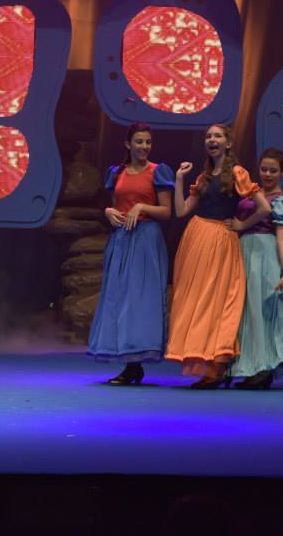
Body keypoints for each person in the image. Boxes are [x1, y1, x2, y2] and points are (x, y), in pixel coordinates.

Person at [168, 124, 271, 389]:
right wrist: (179, 179)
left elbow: (264, 207)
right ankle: (205, 360)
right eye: (208, 136)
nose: (211, 140)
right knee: (194, 299)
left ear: (228, 143)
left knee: (215, 301)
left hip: (220, 240)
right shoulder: (203, 177)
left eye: (217, 136)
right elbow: (181, 211)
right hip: (196, 239)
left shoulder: (237, 173)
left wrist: (242, 224)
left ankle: (216, 366)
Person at [87, 123, 174, 385]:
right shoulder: (117, 173)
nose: (144, 146)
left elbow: (167, 211)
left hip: (146, 239)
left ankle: (135, 361)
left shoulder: (157, 172)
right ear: (128, 144)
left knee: (139, 299)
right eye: (139, 141)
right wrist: (108, 212)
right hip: (122, 238)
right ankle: (129, 363)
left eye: (148, 142)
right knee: (119, 297)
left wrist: (142, 207)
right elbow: (116, 206)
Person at [229, 148, 283, 390]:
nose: (267, 174)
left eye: (273, 170)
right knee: (247, 311)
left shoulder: (280, 201)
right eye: (264, 169)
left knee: (262, 311)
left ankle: (263, 369)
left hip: (265, 255)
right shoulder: (251, 194)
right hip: (243, 252)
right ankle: (251, 367)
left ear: (282, 172)